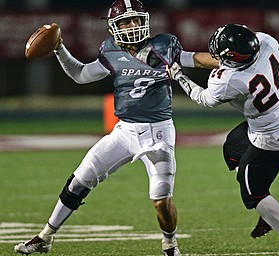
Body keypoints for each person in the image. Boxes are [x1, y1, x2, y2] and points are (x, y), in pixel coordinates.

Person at [13, 1, 216, 256]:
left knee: (161, 200)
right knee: (79, 181)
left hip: (158, 133)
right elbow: (82, 75)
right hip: (124, 132)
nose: (132, 26)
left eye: (135, 20)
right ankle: (45, 236)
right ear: (113, 27)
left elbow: (194, 59)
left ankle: (170, 245)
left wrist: (225, 61)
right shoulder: (110, 51)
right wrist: (59, 48)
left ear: (145, 20)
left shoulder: (164, 45)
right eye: (124, 22)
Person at [167, 24, 279, 256]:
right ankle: (268, 212)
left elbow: (203, 98)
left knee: (252, 193)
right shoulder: (266, 43)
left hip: (272, 137)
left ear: (233, 58)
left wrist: (178, 76)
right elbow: (223, 61)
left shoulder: (229, 81)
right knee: (232, 151)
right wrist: (181, 57)